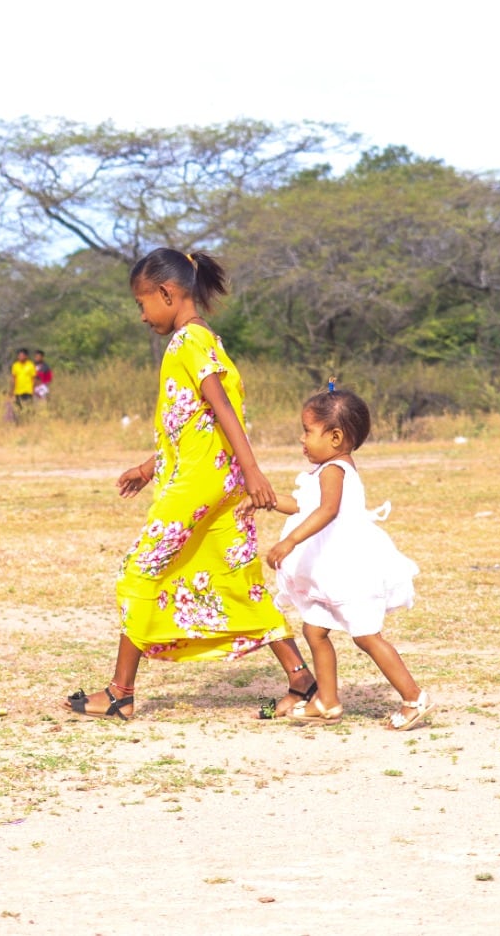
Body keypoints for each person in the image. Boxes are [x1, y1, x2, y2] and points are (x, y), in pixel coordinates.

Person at [63, 248, 317, 721]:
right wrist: (148, 466)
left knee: (139, 573)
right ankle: (301, 681)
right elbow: (192, 426)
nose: (142, 316)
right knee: (239, 580)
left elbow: (221, 408)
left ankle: (120, 692)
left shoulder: (186, 343)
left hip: (198, 488)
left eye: (142, 304)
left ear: (166, 293)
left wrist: (256, 470)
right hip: (224, 485)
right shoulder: (210, 341)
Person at [246, 387, 429, 730]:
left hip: (349, 570)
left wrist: (289, 541)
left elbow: (327, 511)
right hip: (330, 570)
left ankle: (413, 697)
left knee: (366, 637)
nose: (301, 439)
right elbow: (302, 505)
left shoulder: (336, 470)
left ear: (335, 437)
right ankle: (327, 701)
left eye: (307, 431)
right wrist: (265, 500)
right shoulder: (324, 470)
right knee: (315, 630)